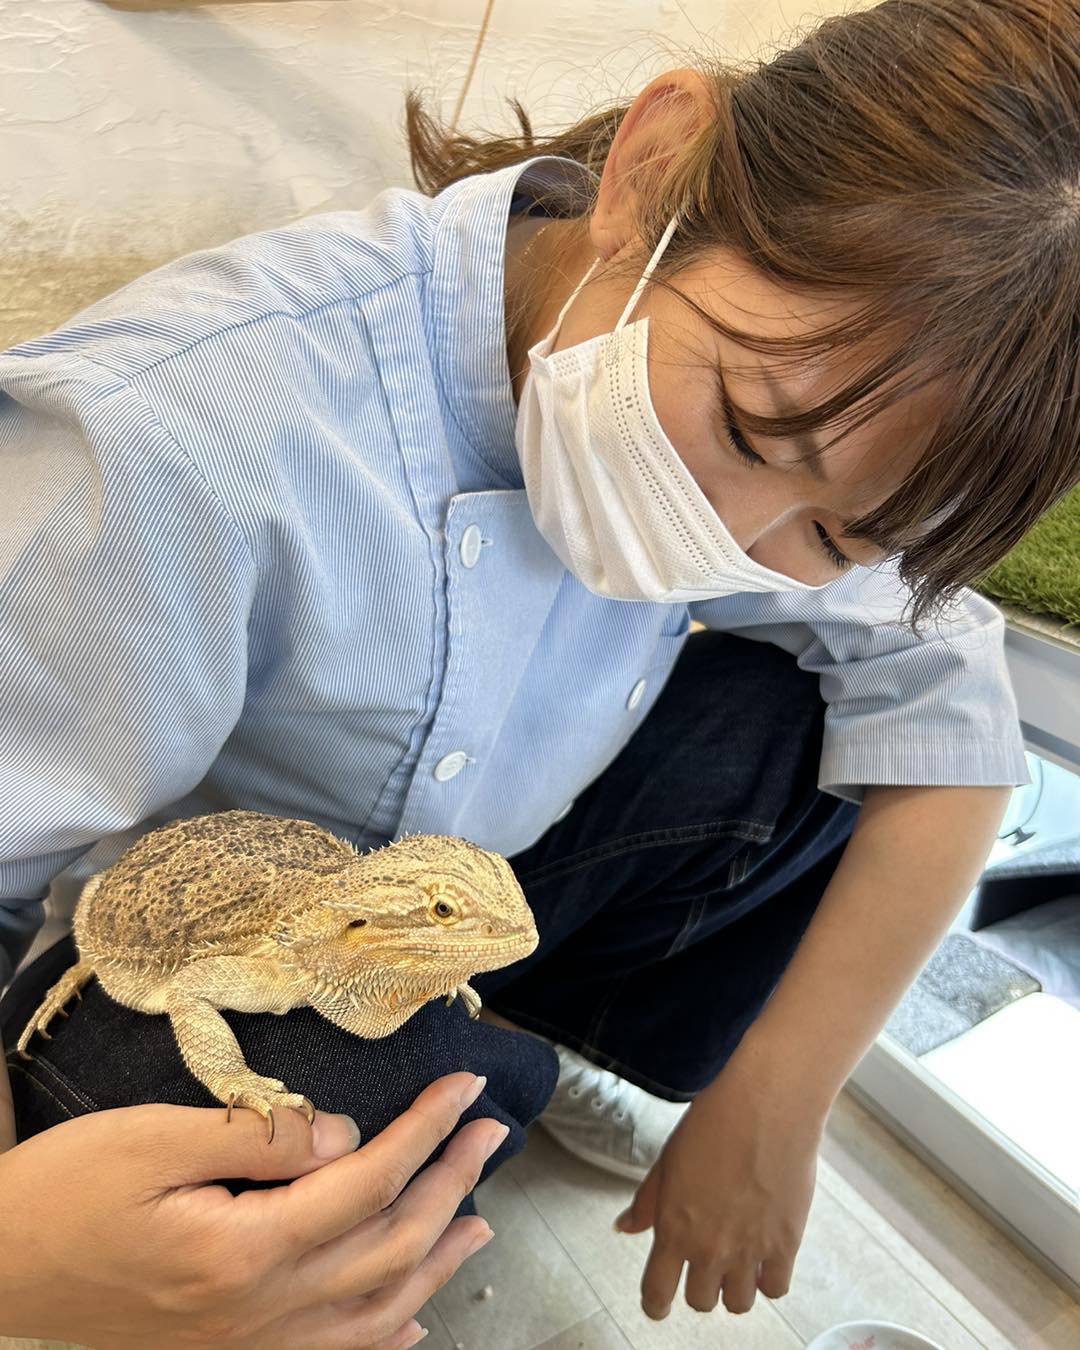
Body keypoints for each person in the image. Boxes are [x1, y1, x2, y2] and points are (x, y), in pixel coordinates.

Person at [2, 0, 1078, 1340]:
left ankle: (522, 1050)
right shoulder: (183, 447)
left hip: (445, 876)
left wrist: (773, 1097)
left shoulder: (805, 409)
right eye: (749, 425)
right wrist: (23, 1249)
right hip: (158, 939)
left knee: (808, 726)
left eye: (839, 534)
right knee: (366, 1109)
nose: (725, 541)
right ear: (649, 172)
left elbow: (952, 708)